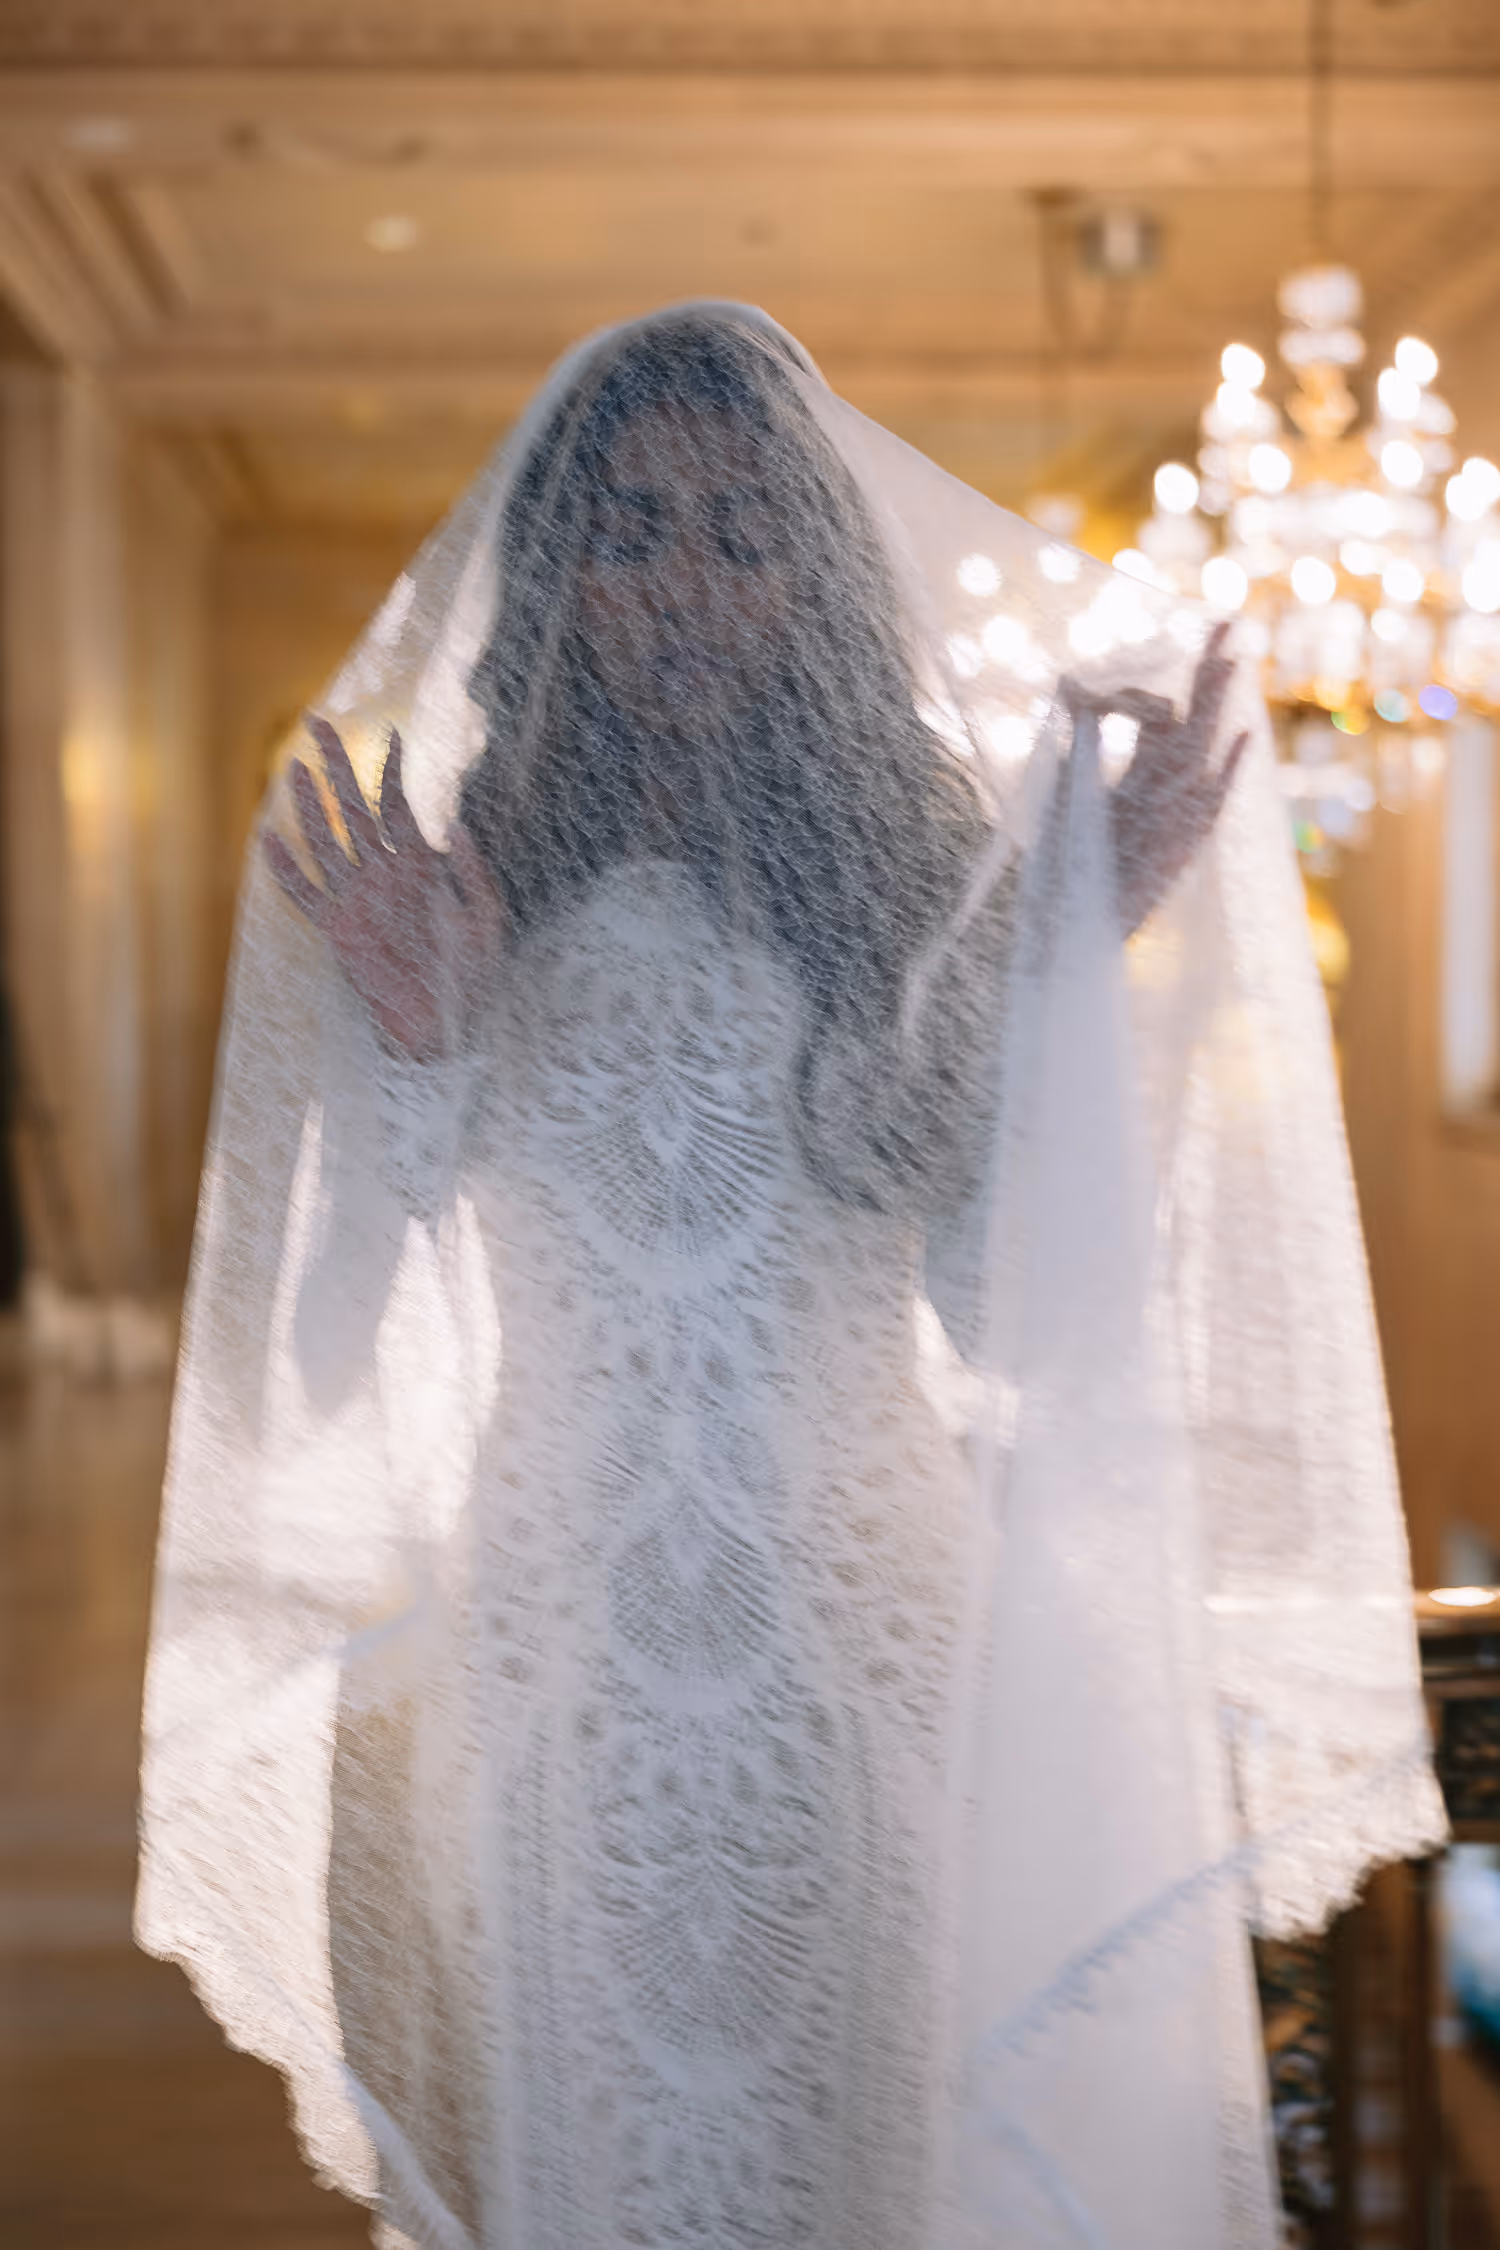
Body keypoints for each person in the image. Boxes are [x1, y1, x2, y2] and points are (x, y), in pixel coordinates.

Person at [137, 304, 1444, 2250]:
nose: (688, 584)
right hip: (562, 1667)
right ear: (559, 563)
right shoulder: (450, 876)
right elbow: (319, 1358)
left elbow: (1008, 1312)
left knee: (873, 2169)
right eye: (637, 528)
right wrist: (419, 1052)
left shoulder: (916, 876)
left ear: (812, 573)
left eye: (745, 534)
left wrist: (1075, 973)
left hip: (868, 1653)